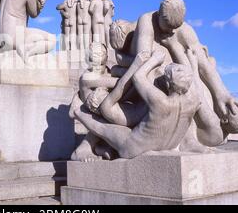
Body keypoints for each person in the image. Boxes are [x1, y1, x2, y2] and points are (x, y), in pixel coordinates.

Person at [131, 0, 237, 144]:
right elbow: (143, 58)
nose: (173, 31)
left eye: (176, 27)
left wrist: (223, 94)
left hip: (180, 77)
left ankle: (192, 136)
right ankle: (186, 139)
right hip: (157, 77)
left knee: (197, 91)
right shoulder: (147, 21)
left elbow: (204, 64)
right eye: (168, 26)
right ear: (160, 15)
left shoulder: (184, 29)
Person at [71, 50, 202, 159]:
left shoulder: (160, 101)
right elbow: (195, 84)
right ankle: (100, 146)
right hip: (165, 146)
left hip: (133, 147)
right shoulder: (194, 102)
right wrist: (193, 66)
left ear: (167, 84)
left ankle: (78, 112)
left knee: (102, 127)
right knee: (109, 124)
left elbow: (138, 77)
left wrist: (154, 60)